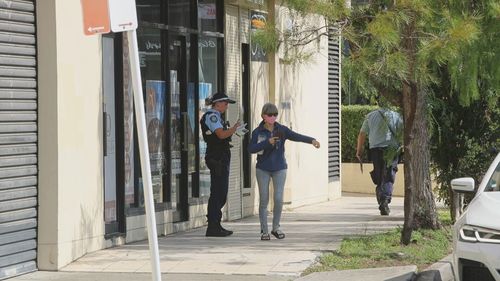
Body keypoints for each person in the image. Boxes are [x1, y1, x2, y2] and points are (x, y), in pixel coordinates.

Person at [248, 103, 320, 240]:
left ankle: (276, 228)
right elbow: (251, 149)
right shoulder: (258, 132)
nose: (273, 117)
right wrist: (267, 143)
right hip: (262, 168)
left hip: (280, 168)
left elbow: (296, 136)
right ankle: (264, 231)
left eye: (275, 114)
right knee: (264, 200)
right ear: (263, 116)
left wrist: (312, 140)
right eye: (270, 115)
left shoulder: (281, 130)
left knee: (278, 199)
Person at [200, 92, 246, 237]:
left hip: (221, 156)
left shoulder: (217, 117)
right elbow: (220, 134)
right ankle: (213, 226)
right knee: (218, 192)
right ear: (217, 103)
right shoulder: (212, 116)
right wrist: (234, 128)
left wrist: (234, 131)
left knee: (221, 192)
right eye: (225, 103)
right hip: (217, 157)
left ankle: (216, 224)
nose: (226, 106)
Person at [356, 99, 403, 216]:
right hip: (392, 150)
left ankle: (381, 196)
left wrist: (359, 150)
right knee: (389, 174)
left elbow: (362, 134)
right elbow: (402, 133)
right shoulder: (396, 116)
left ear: (378, 103)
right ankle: (384, 200)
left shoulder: (370, 116)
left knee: (379, 173)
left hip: (375, 150)